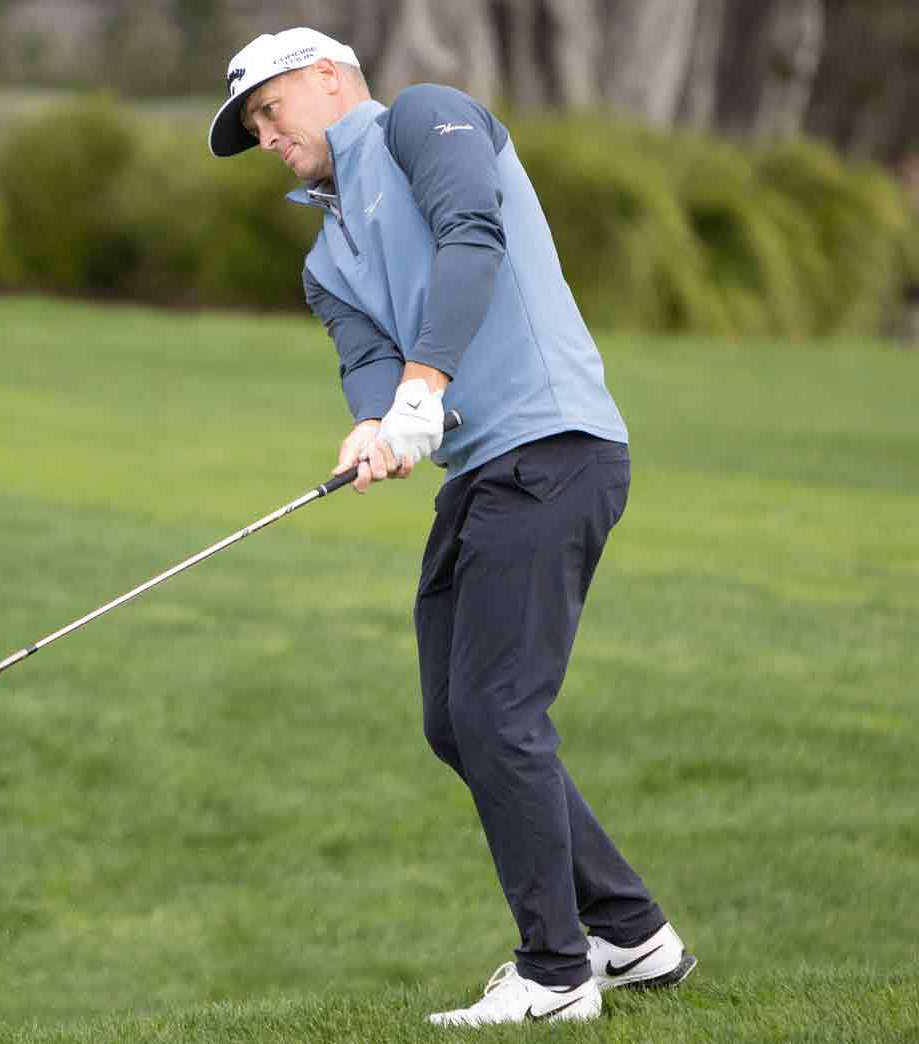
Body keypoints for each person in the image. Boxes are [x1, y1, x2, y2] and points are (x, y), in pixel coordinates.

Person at [205, 27, 697, 1026]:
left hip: (554, 448)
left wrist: (422, 389)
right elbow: (365, 365)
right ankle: (633, 935)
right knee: (456, 720)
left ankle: (556, 973)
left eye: (268, 108)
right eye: (251, 124)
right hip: (482, 474)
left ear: (329, 78)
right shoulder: (323, 257)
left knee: (497, 716)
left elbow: (474, 232)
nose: (263, 136)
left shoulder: (423, 120)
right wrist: (372, 426)